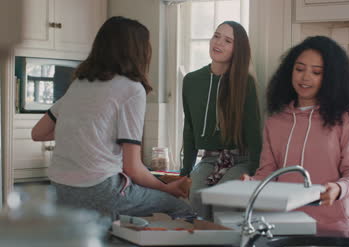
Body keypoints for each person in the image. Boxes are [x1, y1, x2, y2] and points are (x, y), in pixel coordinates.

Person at [31, 16, 194, 220]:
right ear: (138, 51)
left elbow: (38, 133)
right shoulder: (132, 89)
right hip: (101, 189)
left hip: (61, 190)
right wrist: (167, 189)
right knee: (180, 209)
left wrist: (86, 132)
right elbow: (132, 168)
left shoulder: (79, 84)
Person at [242, 36, 349, 233]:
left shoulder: (347, 120)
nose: (305, 77)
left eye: (316, 72)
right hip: (282, 226)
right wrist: (252, 184)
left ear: (330, 78)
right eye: (299, 69)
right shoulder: (275, 120)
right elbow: (268, 173)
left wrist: (339, 188)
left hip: (333, 228)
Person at [181, 21, 262, 219]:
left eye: (228, 40)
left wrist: (254, 171)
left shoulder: (245, 83)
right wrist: (185, 171)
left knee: (224, 202)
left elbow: (254, 132)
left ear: (237, 49)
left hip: (241, 159)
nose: (218, 43)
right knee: (197, 201)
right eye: (216, 36)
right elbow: (189, 128)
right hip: (208, 158)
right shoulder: (191, 81)